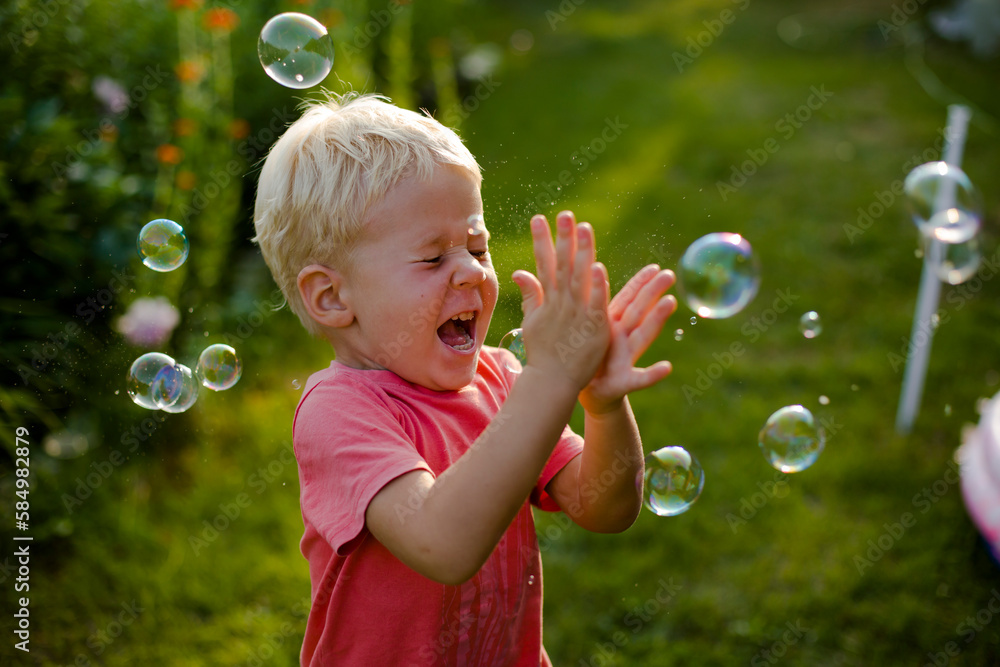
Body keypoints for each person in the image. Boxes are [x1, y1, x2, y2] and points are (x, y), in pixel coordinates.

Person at [252, 92, 678, 666]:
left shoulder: (503, 380)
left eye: (476, 247)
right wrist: (549, 380)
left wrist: (601, 406)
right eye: (432, 259)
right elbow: (443, 544)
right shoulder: (338, 413)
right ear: (333, 297)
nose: (472, 271)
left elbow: (606, 509)